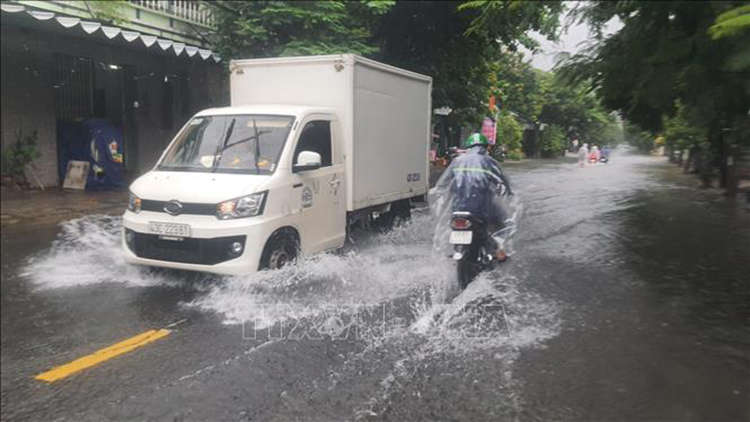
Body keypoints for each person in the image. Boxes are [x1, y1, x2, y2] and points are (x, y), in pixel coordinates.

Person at [434, 133, 512, 260]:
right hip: (483, 209)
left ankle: (457, 249)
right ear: (486, 148)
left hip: (458, 208)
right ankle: (498, 249)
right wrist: (507, 192)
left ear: (468, 147)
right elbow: (504, 183)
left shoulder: (457, 161)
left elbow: (443, 184)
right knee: (505, 223)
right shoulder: (490, 162)